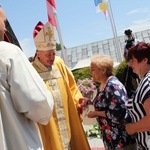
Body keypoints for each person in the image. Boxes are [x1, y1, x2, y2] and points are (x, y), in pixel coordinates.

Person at [0, 7, 54, 150]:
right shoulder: (8, 53)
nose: (6, 29)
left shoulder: (60, 66)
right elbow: (39, 105)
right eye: (4, 22)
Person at [32, 21, 90, 150]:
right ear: (38, 53)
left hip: (69, 120)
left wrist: (78, 100)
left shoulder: (58, 63)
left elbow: (72, 87)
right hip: (48, 127)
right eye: (48, 55)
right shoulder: (31, 71)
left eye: (53, 53)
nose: (52, 57)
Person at [80, 54, 136, 150]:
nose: (90, 72)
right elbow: (106, 104)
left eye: (93, 69)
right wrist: (90, 102)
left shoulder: (112, 85)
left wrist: (96, 113)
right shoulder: (104, 85)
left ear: (103, 70)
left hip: (121, 140)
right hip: (112, 140)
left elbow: (118, 113)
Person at [125, 42, 150, 149]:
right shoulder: (145, 80)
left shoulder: (147, 82)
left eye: (133, 60)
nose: (131, 65)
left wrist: (132, 128)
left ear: (145, 60)